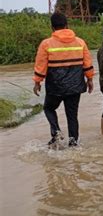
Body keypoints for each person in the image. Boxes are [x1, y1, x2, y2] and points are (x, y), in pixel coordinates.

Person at [33, 12, 94, 147]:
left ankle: (56, 132)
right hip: (75, 86)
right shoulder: (80, 42)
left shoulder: (46, 44)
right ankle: (73, 143)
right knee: (72, 115)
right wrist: (90, 80)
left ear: (52, 27)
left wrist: (37, 82)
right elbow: (87, 64)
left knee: (49, 108)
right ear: (67, 25)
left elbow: (40, 65)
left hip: (55, 87)